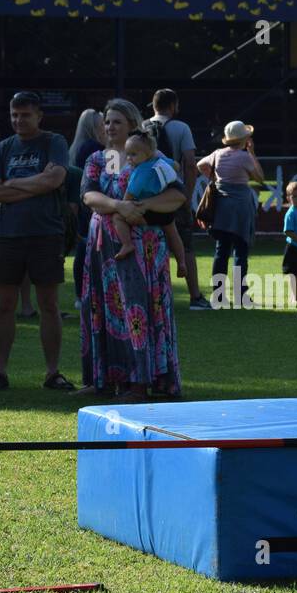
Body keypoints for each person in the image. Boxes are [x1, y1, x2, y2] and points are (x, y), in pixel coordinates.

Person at [79, 97, 186, 400]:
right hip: (104, 249)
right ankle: (106, 380)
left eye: (117, 121)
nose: (110, 127)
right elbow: (89, 197)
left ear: (133, 126)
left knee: (137, 312)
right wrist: (120, 206)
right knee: (102, 309)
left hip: (145, 250)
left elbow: (177, 195)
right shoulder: (99, 160)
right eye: (107, 121)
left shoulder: (154, 158)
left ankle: (139, 382)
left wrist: (143, 206)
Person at [0, 90, 76, 392]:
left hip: (46, 233)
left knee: (48, 304)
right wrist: (36, 185)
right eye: (14, 115)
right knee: (4, 305)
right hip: (7, 235)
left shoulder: (53, 142)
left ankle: (52, 372)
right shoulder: (3, 148)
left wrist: (13, 185)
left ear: (38, 116)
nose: (18, 120)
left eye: (24, 114)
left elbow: (55, 180)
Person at [148, 88, 210, 310]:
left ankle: (151, 298)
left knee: (148, 245)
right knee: (186, 246)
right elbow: (190, 163)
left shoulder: (142, 127)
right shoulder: (181, 127)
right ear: (173, 105)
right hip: (174, 194)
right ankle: (195, 297)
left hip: (149, 196)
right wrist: (186, 194)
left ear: (154, 105)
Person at [198, 120, 264, 307]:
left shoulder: (217, 154)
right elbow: (259, 177)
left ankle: (218, 295)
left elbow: (200, 165)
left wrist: (214, 176)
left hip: (221, 207)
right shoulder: (244, 157)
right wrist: (252, 152)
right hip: (241, 208)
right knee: (240, 252)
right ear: (244, 139)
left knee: (221, 251)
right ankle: (241, 296)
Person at [115, 127, 187, 275]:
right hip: (165, 208)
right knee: (173, 233)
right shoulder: (159, 160)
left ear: (147, 154)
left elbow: (129, 195)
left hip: (148, 212)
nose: (129, 158)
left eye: (133, 154)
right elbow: (176, 165)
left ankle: (127, 244)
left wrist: (123, 206)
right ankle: (182, 263)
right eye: (127, 154)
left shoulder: (140, 172)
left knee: (118, 217)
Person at [68, 108, 105, 310]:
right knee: (87, 248)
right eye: (102, 124)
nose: (105, 128)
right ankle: (86, 294)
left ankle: (80, 293)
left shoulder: (76, 147)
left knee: (82, 248)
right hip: (89, 204)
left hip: (80, 203)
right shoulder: (93, 149)